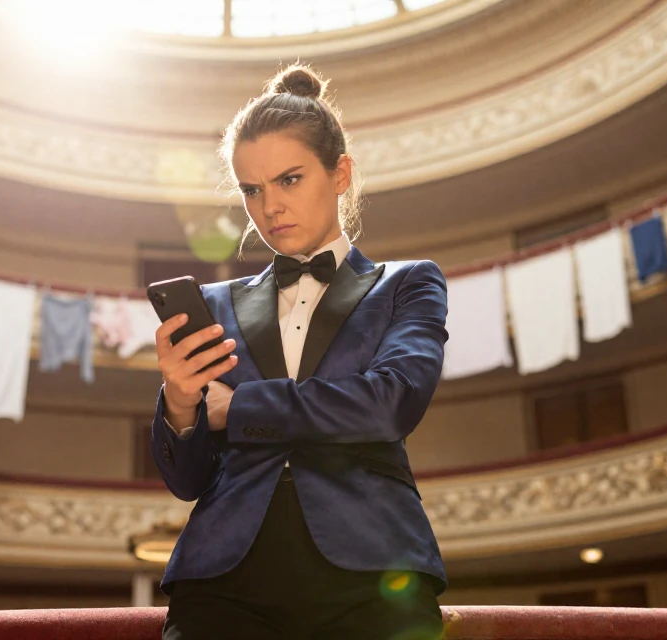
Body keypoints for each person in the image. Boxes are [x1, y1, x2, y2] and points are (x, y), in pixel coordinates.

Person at [150, 64, 449, 640]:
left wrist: (234, 409)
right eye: (252, 189)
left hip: (375, 571)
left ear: (341, 174)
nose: (269, 208)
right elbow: (187, 481)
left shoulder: (408, 283)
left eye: (289, 179)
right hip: (222, 581)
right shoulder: (211, 303)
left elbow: (389, 404)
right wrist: (181, 405)